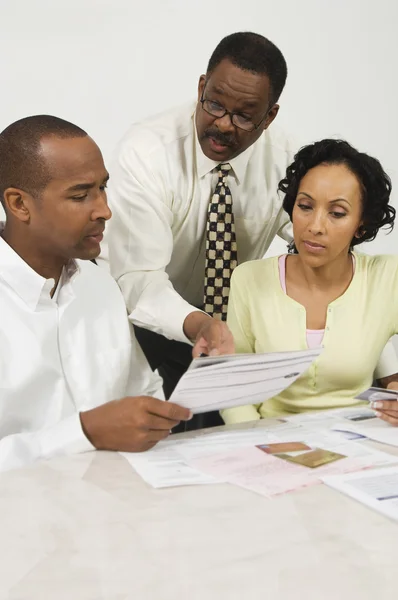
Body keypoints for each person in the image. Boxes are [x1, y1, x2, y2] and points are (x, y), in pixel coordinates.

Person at [100, 31, 295, 428]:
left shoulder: (286, 162)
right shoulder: (147, 151)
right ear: (201, 87)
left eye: (243, 116)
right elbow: (139, 279)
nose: (223, 125)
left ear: (269, 116)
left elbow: (327, 246)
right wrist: (200, 325)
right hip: (146, 330)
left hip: (228, 339)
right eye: (214, 105)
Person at [0, 115, 192, 473]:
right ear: (19, 204)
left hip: (121, 507)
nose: (104, 210)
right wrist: (84, 432)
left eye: (103, 188)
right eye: (80, 195)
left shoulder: (99, 284)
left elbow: (142, 390)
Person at [221, 138, 398, 426]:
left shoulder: (388, 277)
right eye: (305, 206)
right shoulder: (250, 279)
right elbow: (235, 390)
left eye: (337, 213)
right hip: (269, 443)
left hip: (362, 441)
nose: (315, 226)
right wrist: (257, 448)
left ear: (361, 224)